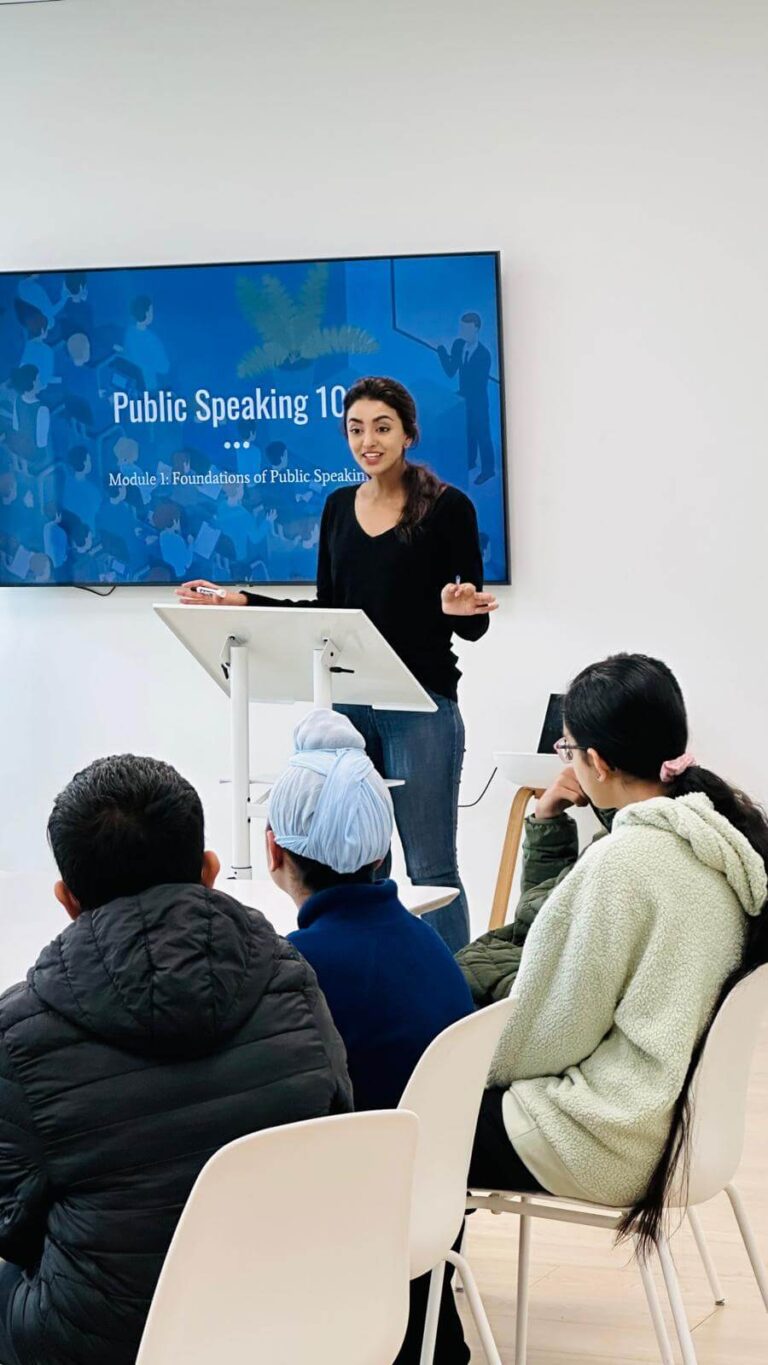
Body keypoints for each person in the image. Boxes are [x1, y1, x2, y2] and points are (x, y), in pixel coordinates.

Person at [438, 653, 768, 1360]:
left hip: (608, 1135)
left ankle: (432, 1336)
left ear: (591, 759)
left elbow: (543, 1033)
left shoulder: (624, 865)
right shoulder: (724, 843)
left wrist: (467, 1065)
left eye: (566, 749)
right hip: (680, 1124)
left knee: (417, 1120)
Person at [0, 754, 352, 1365]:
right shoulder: (291, 980)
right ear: (210, 871)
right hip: (289, 1314)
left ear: (67, 899)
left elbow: (13, 1226)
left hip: (107, 1340)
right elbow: (337, 1122)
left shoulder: (19, 1033)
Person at [177, 375, 498, 952]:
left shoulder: (450, 508)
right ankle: (375, 976)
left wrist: (457, 608)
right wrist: (240, 600)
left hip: (420, 703)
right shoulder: (337, 509)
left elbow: (474, 624)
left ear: (407, 433)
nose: (367, 441)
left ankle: (459, 993)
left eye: (381, 427)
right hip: (346, 703)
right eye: (356, 429)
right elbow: (327, 613)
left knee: (432, 866)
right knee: (357, 870)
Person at [266, 707, 474, 1363]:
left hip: (346, 1264)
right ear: (383, 850)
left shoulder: (296, 973)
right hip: (431, 1248)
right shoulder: (431, 948)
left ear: (273, 850)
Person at [437, 312, 495, 486]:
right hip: (463, 400)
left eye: (467, 329)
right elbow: (450, 371)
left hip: (477, 402)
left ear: (476, 329)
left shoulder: (484, 355)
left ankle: (488, 470)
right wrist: (441, 351)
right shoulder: (458, 345)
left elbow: (477, 385)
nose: (463, 332)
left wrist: (461, 396)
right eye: (462, 328)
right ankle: (470, 461)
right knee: (468, 432)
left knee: (482, 435)